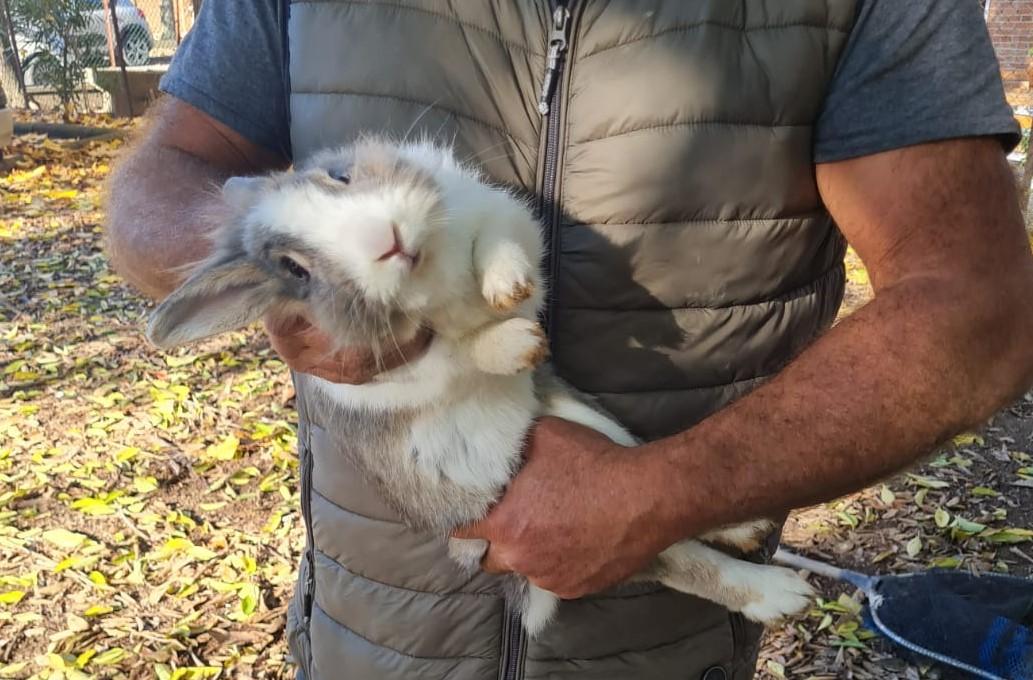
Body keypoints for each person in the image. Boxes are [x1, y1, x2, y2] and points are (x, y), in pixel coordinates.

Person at [105, 1, 1033, 678]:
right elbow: (167, 177)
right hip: (372, 626)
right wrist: (286, 269)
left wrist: (665, 493)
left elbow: (975, 307)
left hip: (664, 645)